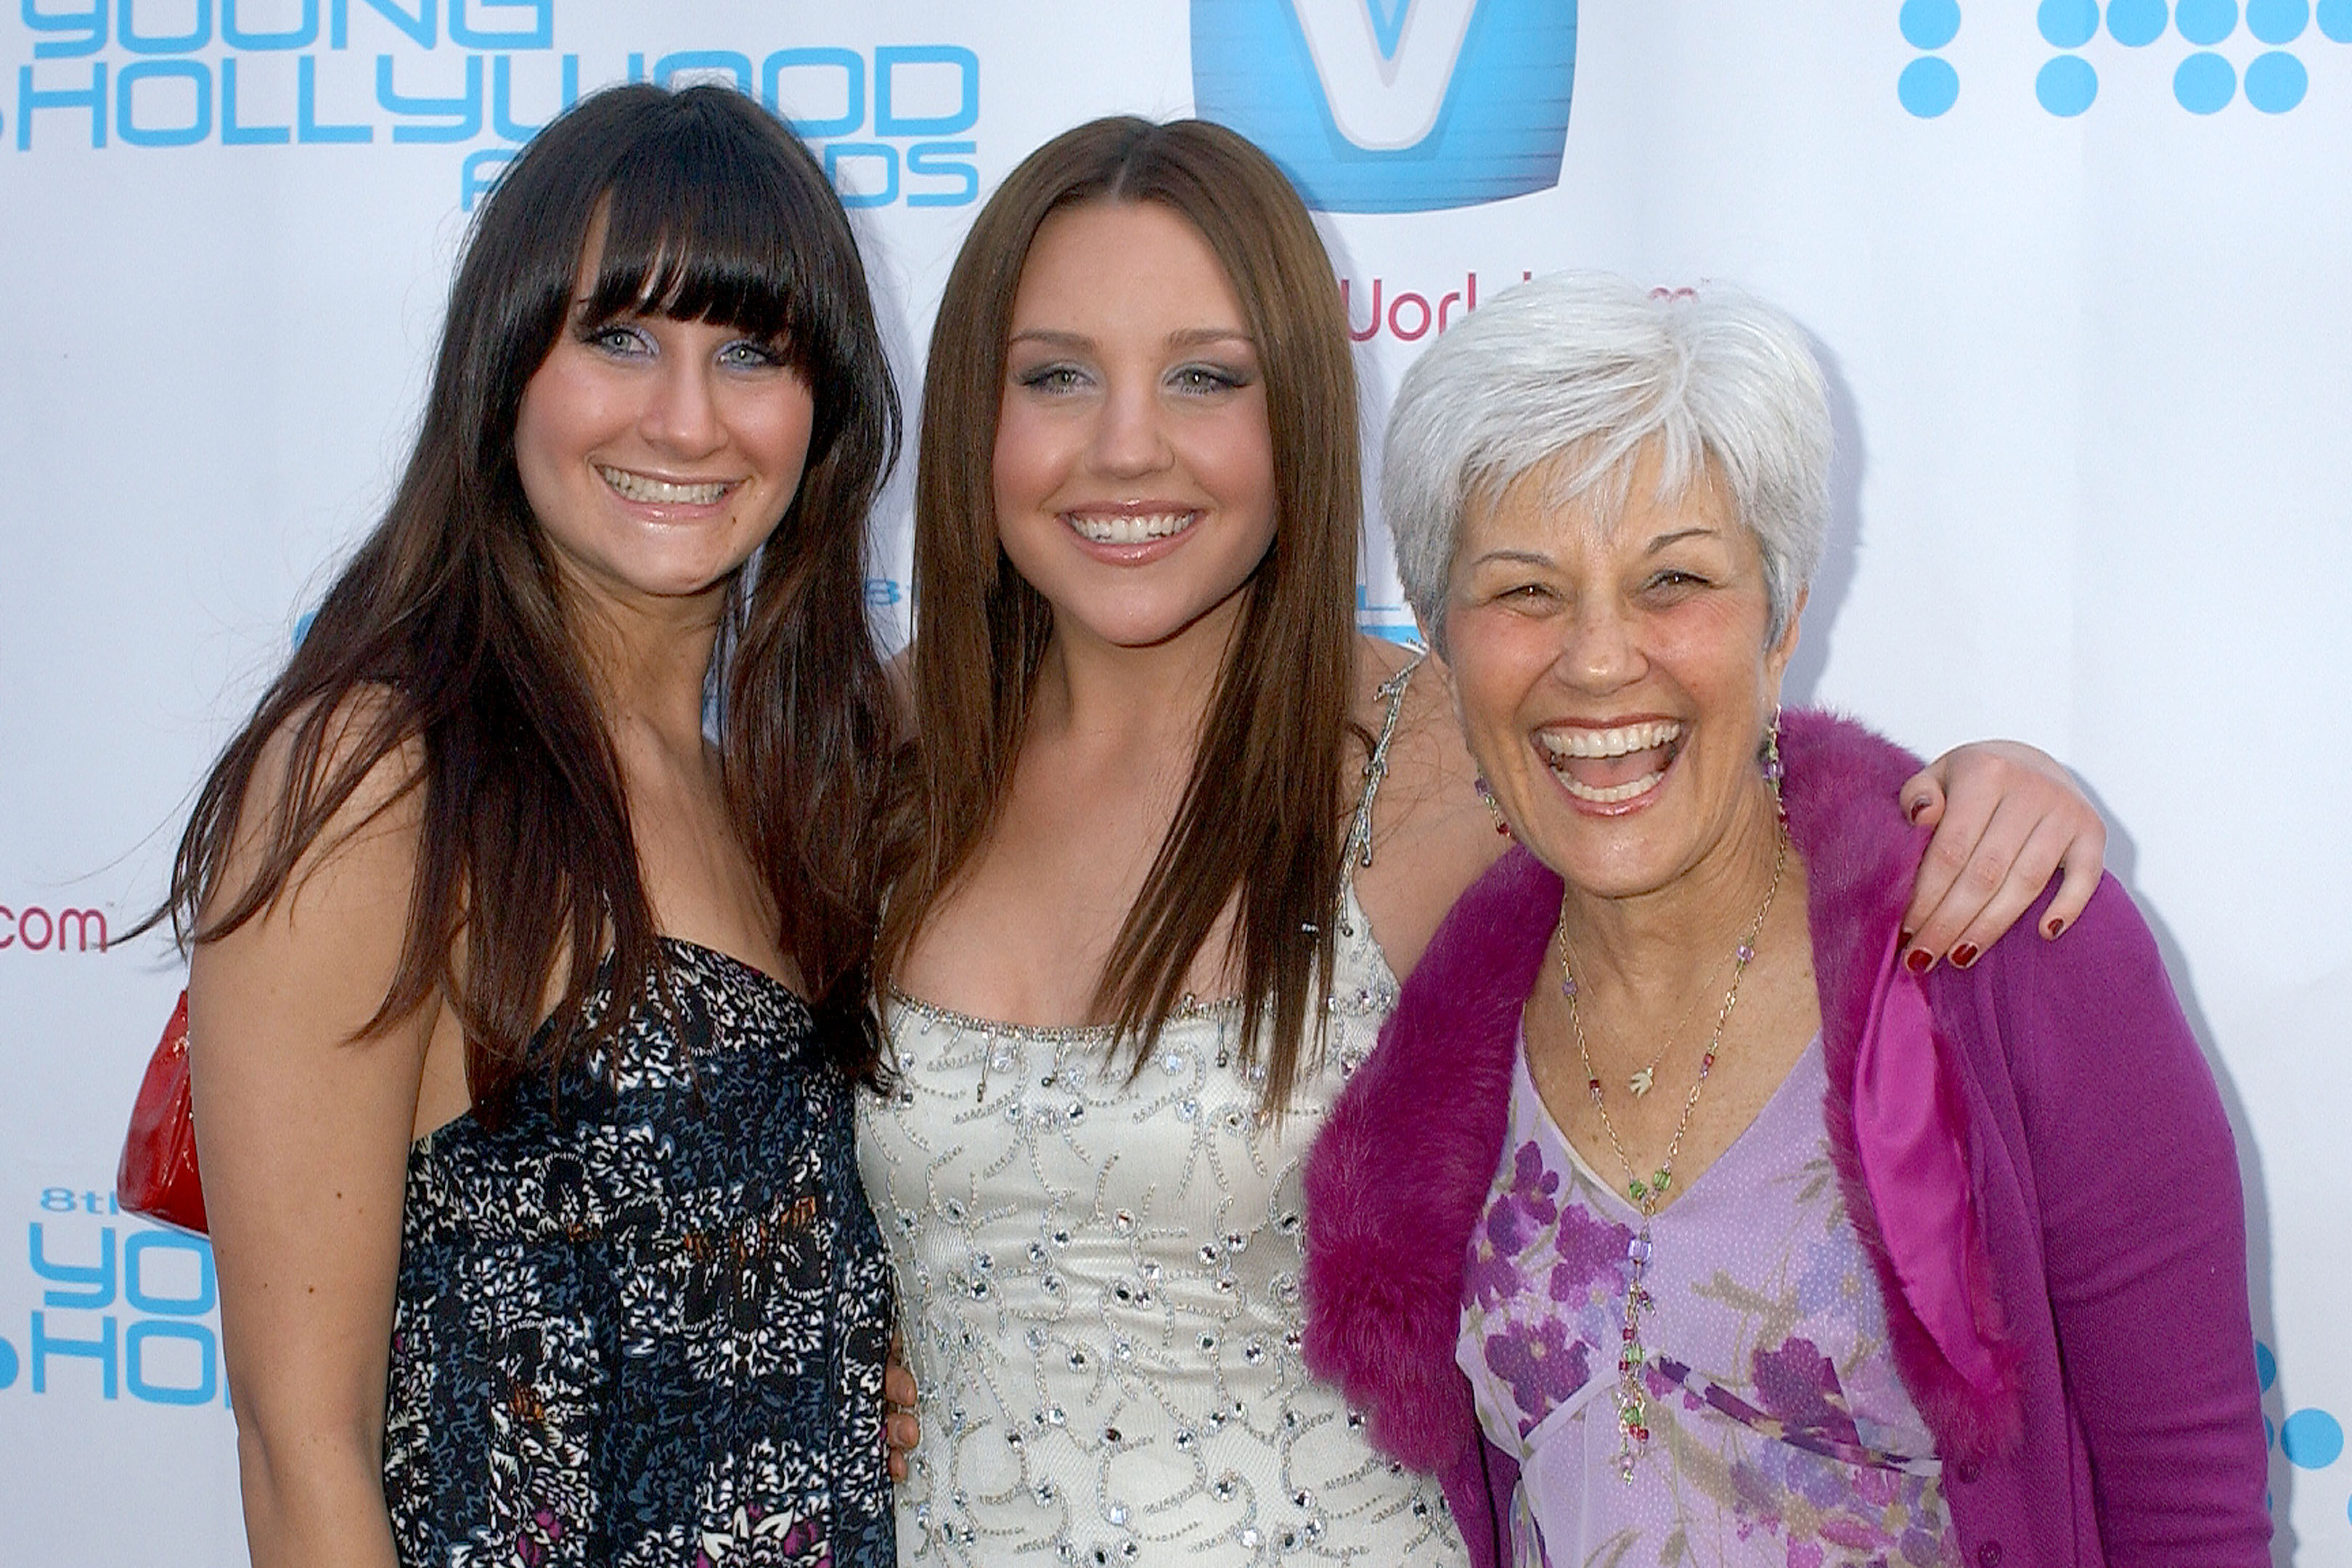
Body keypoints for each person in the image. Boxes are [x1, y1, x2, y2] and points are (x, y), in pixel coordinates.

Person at [858, 118, 2110, 1567]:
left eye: (1207, 376)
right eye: (1057, 375)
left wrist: (1984, 786)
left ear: (1302, 416)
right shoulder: (872, 765)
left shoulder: (1466, 759)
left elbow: (1740, 802)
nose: (1127, 442)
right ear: (972, 413)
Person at [1300, 272, 2269, 1566]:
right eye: (1525, 592)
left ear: (1783, 615)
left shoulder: (2005, 953)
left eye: (1674, 581)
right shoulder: (1440, 1019)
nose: (1597, 659)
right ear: (1439, 637)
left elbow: (2190, 1508)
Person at [168, 85, 903, 1567]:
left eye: (749, 352)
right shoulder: (378, 773)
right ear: (505, 367)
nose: (683, 419)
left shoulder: (782, 791)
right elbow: (299, 1452)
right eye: (619, 338)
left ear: (820, 412)